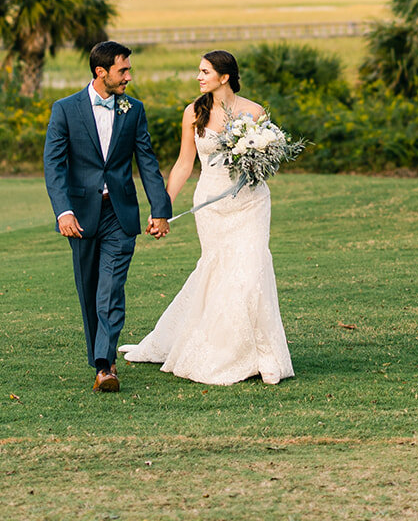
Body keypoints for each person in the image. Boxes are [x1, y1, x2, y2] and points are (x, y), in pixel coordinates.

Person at [119, 49, 294, 385]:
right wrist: (162, 209)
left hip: (250, 202)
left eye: (205, 71)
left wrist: (256, 158)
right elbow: (185, 164)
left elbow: (266, 161)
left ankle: (265, 356)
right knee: (220, 271)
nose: (199, 77)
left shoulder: (254, 112)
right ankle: (222, 350)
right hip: (211, 204)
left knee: (253, 270)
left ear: (224, 76)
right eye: (199, 72)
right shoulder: (193, 113)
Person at [43, 39, 172, 393]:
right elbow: (53, 166)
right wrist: (63, 211)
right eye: (123, 70)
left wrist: (159, 210)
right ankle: (99, 357)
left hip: (119, 212)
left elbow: (147, 161)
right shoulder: (65, 109)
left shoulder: (134, 110)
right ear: (101, 72)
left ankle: (106, 365)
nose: (129, 76)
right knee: (89, 290)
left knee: (111, 289)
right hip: (80, 216)